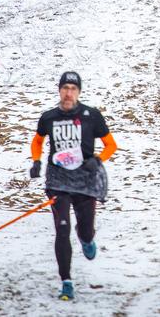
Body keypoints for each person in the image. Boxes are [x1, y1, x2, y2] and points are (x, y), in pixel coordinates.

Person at [29, 71, 117, 301]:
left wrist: (96, 160)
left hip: (85, 180)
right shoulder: (48, 117)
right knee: (62, 228)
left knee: (85, 229)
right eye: (65, 88)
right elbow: (38, 140)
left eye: (73, 89)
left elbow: (111, 145)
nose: (68, 93)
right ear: (59, 90)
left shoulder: (92, 115)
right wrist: (36, 161)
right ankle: (66, 282)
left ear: (79, 92)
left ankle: (86, 238)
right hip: (58, 181)